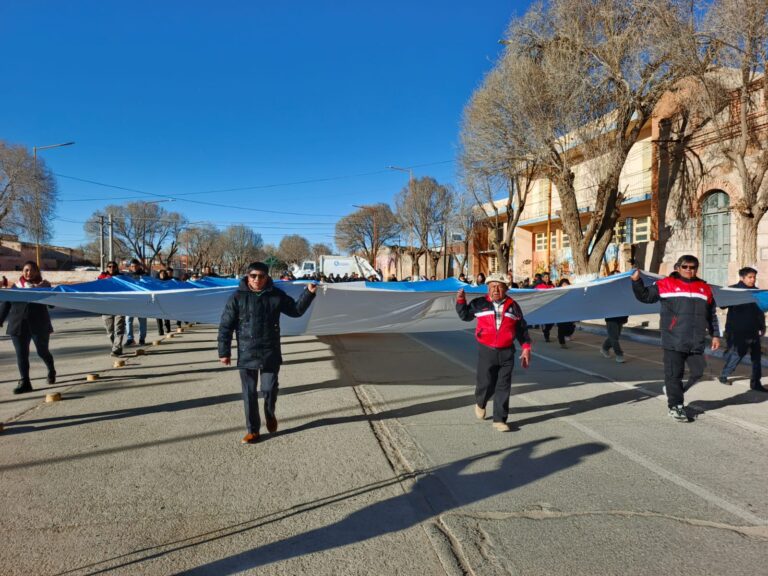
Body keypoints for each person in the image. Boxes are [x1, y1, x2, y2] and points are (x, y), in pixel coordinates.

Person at [218, 261, 318, 444]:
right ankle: (253, 430)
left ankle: (270, 413)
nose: (257, 279)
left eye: (261, 276)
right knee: (249, 393)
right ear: (247, 276)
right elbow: (226, 326)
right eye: (253, 276)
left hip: (270, 351)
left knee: (269, 389)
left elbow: (296, 311)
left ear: (267, 276)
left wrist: (309, 294)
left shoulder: (276, 295)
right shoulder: (237, 297)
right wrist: (224, 352)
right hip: (246, 352)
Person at [631, 255, 720, 421]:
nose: (689, 270)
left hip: (696, 339)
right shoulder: (666, 284)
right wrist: (636, 282)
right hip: (674, 339)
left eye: (693, 267)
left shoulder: (704, 288)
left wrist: (715, 334)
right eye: (685, 267)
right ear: (677, 267)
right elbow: (645, 296)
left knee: (698, 372)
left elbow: (711, 314)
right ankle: (676, 406)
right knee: (674, 375)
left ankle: (673, 391)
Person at [456, 272, 532, 432]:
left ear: (506, 289)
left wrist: (526, 347)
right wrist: (461, 301)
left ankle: (500, 419)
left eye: (499, 286)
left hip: (507, 353)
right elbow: (465, 316)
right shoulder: (479, 303)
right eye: (492, 287)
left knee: (503, 385)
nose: (495, 290)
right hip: (487, 351)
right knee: (486, 383)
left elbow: (521, 329)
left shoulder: (513, 306)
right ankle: (481, 402)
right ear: (488, 289)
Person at [0, 261, 56, 394]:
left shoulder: (43, 286)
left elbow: (52, 305)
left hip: (39, 325)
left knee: (42, 351)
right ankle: (25, 382)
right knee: (21, 354)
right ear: (22, 272)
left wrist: (47, 291)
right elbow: (6, 304)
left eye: (31, 270)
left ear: (37, 272)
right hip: (18, 325)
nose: (28, 273)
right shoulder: (16, 287)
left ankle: (51, 369)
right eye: (26, 270)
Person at [718, 267, 767, 392]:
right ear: (742, 277)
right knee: (737, 354)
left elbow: (759, 310)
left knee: (756, 358)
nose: (753, 280)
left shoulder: (757, 292)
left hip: (753, 329)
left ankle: (756, 383)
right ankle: (724, 374)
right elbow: (722, 305)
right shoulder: (733, 290)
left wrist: (762, 326)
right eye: (750, 277)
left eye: (754, 277)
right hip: (737, 330)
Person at [98, 261, 125, 357]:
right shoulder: (101, 278)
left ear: (117, 268)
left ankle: (116, 349)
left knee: (119, 329)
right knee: (110, 331)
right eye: (109, 266)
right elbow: (96, 290)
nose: (111, 268)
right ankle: (116, 347)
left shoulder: (122, 278)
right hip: (106, 308)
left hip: (119, 307)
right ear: (106, 268)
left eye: (114, 266)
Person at [601, 271, 629, 363]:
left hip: (621, 315)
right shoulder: (607, 288)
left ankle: (604, 348)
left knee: (615, 336)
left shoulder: (623, 287)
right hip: (611, 315)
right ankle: (619, 354)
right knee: (614, 337)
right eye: (615, 275)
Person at [124, 259, 147, 346]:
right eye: (132, 266)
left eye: (136, 266)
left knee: (142, 321)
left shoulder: (144, 275)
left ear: (139, 266)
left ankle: (142, 338)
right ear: (130, 267)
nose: (134, 268)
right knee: (128, 320)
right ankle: (130, 338)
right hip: (130, 301)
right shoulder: (127, 276)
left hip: (142, 301)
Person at [555, 278, 576, 348]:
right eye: (563, 284)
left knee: (571, 327)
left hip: (569, 312)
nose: (565, 285)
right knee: (561, 328)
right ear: (561, 285)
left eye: (566, 284)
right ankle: (562, 342)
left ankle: (565, 335)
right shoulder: (557, 292)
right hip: (560, 312)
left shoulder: (571, 292)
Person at [535, 273, 556, 342]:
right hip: (543, 306)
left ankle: (546, 329)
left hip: (551, 306)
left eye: (548, 277)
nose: (547, 278)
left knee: (551, 322)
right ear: (542, 278)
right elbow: (534, 295)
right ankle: (546, 335)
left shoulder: (552, 286)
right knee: (546, 321)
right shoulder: (539, 286)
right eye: (546, 277)